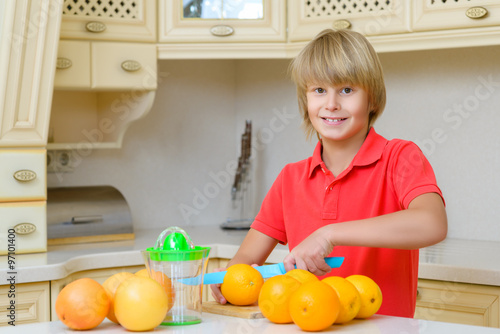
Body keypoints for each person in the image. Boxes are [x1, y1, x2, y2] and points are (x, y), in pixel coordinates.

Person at [211, 29, 447, 318]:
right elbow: (245, 262)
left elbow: (432, 223)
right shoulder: (290, 179)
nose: (331, 104)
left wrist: (328, 234)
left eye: (347, 90)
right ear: (305, 100)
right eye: (319, 90)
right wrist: (230, 279)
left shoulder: (400, 157)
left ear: (372, 99)